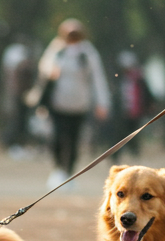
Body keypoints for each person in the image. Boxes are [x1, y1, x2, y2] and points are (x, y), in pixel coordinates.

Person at [37, 18, 110, 188]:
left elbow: (98, 78)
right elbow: (44, 68)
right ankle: (58, 170)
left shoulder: (87, 53)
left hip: (79, 105)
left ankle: (69, 173)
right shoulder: (57, 49)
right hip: (57, 104)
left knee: (73, 140)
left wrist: (102, 103)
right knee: (56, 138)